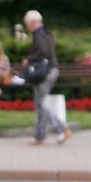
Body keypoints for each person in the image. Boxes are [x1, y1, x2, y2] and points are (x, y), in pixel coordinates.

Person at [22, 9, 71, 145]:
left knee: (41, 105)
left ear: (32, 22)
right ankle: (40, 136)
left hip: (46, 72)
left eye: (27, 24)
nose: (27, 27)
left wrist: (29, 60)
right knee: (40, 104)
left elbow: (42, 52)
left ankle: (62, 129)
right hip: (52, 71)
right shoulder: (47, 33)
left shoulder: (39, 35)